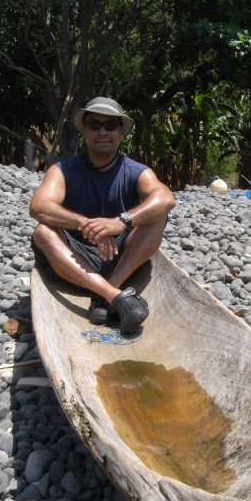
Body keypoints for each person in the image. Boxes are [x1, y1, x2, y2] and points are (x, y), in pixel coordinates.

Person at [29, 97, 175, 333]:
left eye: (110, 125)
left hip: (121, 259)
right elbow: (38, 206)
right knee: (43, 232)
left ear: (121, 132)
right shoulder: (62, 171)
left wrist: (120, 222)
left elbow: (166, 199)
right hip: (74, 259)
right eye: (94, 125)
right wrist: (87, 224)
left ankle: (105, 294)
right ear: (84, 131)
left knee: (158, 215)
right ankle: (112, 295)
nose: (103, 132)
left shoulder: (137, 171)